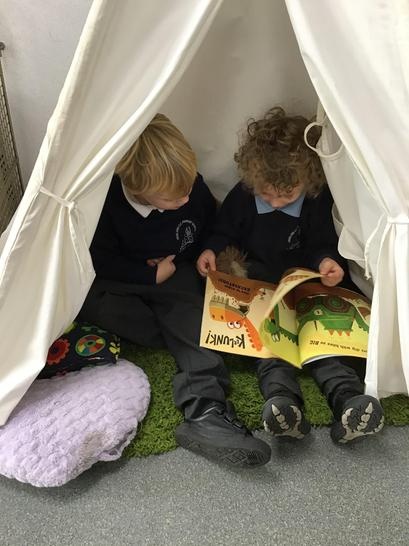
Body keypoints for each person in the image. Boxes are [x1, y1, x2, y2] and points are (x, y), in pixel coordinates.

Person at [79, 113, 271, 467]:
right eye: (172, 198)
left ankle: (206, 412)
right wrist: (146, 275)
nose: (185, 200)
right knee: (95, 303)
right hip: (125, 278)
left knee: (190, 321)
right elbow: (98, 259)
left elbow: (210, 222)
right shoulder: (108, 202)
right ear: (138, 189)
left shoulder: (192, 189)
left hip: (176, 274)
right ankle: (179, 334)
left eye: (188, 190)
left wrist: (206, 251)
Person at [197, 107, 384, 444]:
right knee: (270, 348)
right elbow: (223, 231)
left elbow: (322, 242)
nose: (275, 203)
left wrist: (328, 262)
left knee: (325, 345)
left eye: (286, 196)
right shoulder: (243, 196)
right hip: (262, 285)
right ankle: (282, 403)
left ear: (306, 183)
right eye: (267, 194)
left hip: (306, 283)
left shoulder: (316, 199)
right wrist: (211, 250)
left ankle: (348, 399)